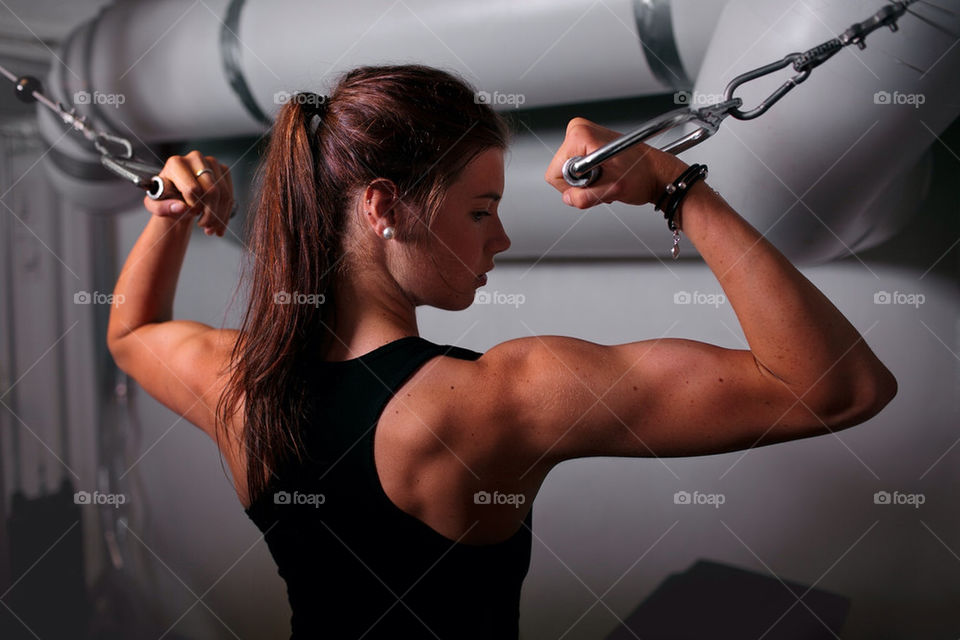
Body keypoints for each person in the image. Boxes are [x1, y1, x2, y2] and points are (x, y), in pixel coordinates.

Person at [106, 64, 897, 639]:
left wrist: (170, 216)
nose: (503, 238)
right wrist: (672, 186)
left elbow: (131, 334)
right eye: (481, 209)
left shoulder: (239, 388)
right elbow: (840, 388)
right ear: (384, 207)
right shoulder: (500, 400)